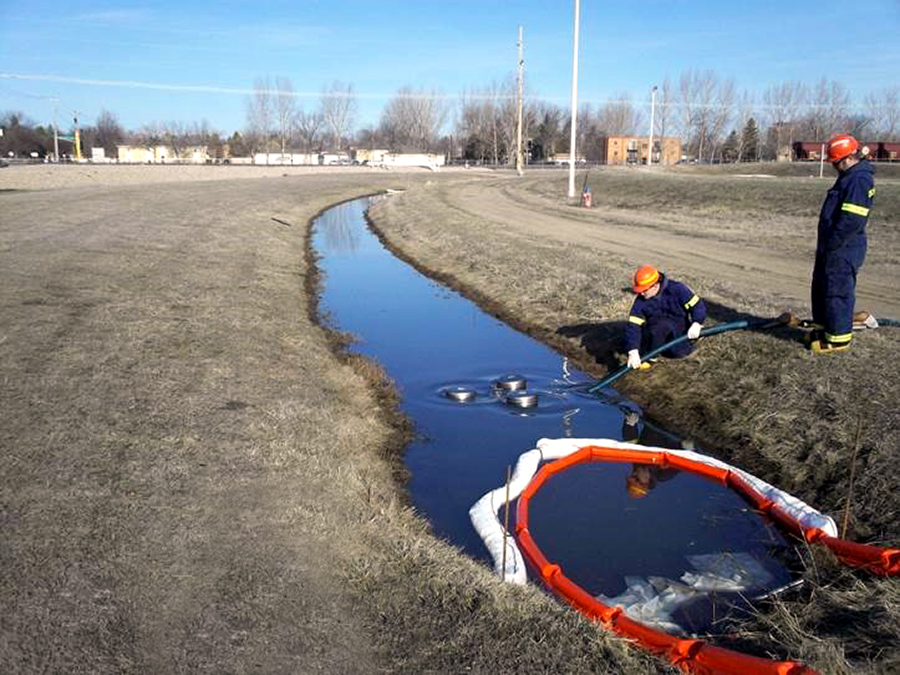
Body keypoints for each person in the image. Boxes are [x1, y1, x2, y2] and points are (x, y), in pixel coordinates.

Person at [809, 134, 876, 354]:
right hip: (833, 246)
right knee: (823, 288)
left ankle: (838, 339)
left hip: (843, 248)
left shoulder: (858, 180)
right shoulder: (849, 176)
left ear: (846, 159)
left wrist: (833, 244)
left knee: (837, 292)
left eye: (835, 163)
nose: (834, 167)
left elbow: (852, 221)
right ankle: (824, 327)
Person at [624, 265, 707, 370]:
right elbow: (633, 326)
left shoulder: (677, 289)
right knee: (659, 327)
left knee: (678, 353)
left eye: (644, 290)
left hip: (678, 330)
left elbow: (697, 306)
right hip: (655, 332)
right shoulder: (641, 300)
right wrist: (633, 350)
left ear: (654, 286)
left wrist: (697, 322)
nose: (640, 293)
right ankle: (651, 357)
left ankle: (678, 346)